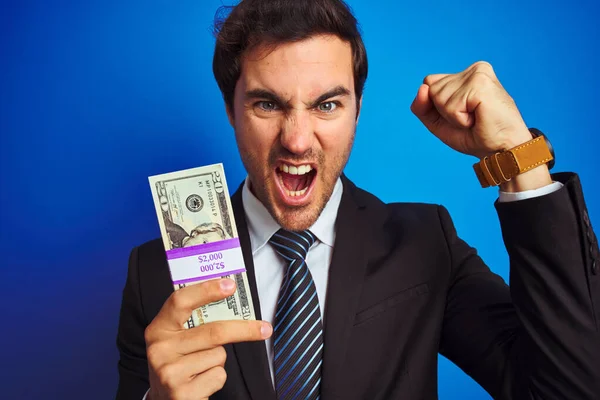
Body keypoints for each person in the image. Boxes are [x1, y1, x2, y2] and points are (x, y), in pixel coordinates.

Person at [115, 0, 600, 399]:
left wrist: (520, 157)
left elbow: (568, 387)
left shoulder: (425, 244)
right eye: (267, 103)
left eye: (327, 104)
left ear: (356, 111)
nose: (298, 140)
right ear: (231, 110)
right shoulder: (153, 275)